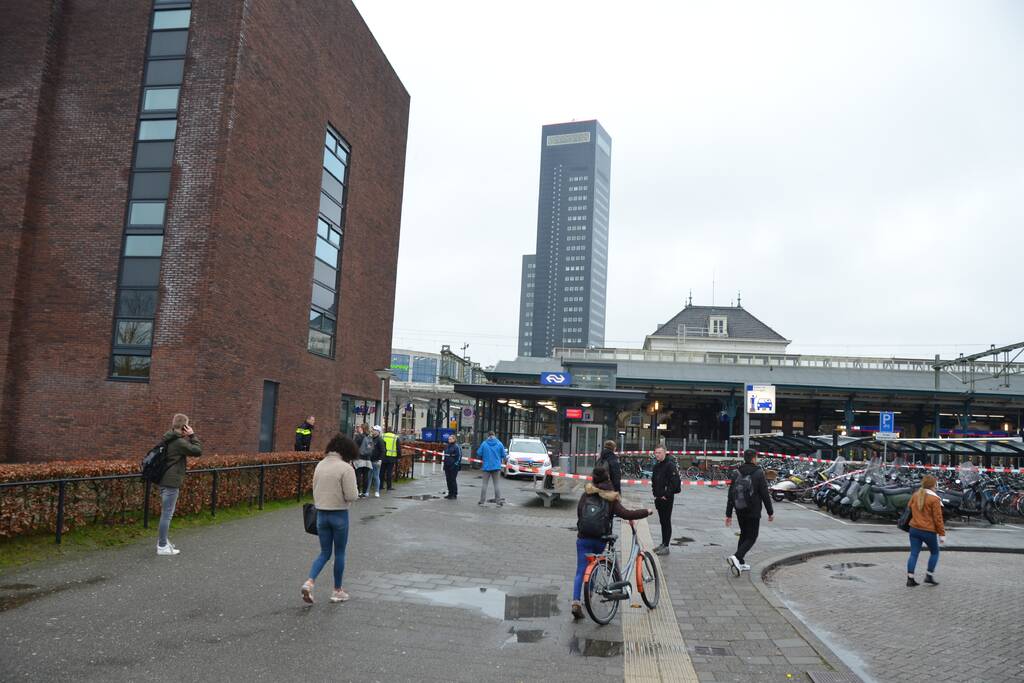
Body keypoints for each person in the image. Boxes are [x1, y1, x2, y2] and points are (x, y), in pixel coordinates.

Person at [571, 464, 653, 619]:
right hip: (600, 539)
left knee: (581, 570)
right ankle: (589, 595)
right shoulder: (611, 498)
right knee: (595, 562)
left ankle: (576, 601)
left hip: (583, 538)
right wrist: (645, 512)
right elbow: (626, 514)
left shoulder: (585, 495)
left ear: (593, 479)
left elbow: (580, 514)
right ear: (607, 478)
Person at [301, 433, 360, 604]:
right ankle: (337, 591)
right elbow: (352, 495)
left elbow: (314, 488)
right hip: (339, 515)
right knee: (339, 553)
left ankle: (309, 582)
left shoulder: (320, 465)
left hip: (321, 515)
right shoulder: (345, 468)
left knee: (324, 553)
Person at [156, 414, 202, 556]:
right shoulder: (179, 442)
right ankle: (162, 546)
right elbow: (197, 451)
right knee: (167, 515)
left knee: (165, 513)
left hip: (163, 479)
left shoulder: (168, 437)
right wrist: (192, 435)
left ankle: (163, 541)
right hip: (171, 482)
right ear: (184, 427)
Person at [725, 449, 774, 573]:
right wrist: (770, 512)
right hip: (753, 510)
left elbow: (731, 494)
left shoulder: (737, 472)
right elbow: (764, 494)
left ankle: (740, 563)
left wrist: (728, 514)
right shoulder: (758, 473)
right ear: (753, 458)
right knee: (752, 536)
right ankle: (736, 557)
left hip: (740, 509)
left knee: (744, 533)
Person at [906, 474, 945, 587]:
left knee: (914, 553)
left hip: (914, 529)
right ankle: (929, 575)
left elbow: (909, 507)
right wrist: (942, 534)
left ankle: (910, 578)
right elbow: (938, 519)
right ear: (933, 485)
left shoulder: (915, 495)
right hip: (928, 531)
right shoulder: (934, 499)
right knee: (935, 552)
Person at [650, 446, 681, 556]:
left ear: (664, 453)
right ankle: (663, 543)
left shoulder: (670, 465)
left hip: (666, 499)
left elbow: (675, 484)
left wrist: (666, 495)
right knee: (662, 521)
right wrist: (655, 494)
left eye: (659, 452)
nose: (657, 455)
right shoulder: (657, 466)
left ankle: (666, 545)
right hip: (658, 498)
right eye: (656, 453)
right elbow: (654, 481)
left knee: (666, 521)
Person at [477, 431, 506, 506]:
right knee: (496, 485)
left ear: (488, 436)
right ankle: (498, 502)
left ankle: (482, 501)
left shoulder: (484, 443)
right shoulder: (499, 443)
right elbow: (503, 455)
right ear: (494, 436)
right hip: (496, 467)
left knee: (484, 485)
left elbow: (479, 453)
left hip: (486, 467)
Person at [352, 424, 373, 498]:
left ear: (362, 429)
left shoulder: (358, 437)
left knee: (358, 475)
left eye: (359, 427)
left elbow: (353, 446)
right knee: (365, 476)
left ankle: (357, 492)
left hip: (359, 459)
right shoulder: (369, 437)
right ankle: (364, 492)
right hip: (367, 460)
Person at [363, 425, 384, 497]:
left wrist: (380, 459)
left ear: (378, 432)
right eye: (373, 430)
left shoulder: (380, 440)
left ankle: (377, 491)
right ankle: (366, 492)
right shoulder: (370, 439)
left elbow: (383, 451)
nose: (373, 431)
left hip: (376, 461)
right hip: (369, 460)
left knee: (376, 476)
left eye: (375, 430)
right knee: (369, 477)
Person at [381, 428, 400, 492]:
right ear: (392, 431)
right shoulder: (395, 437)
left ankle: (380, 486)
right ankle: (389, 487)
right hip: (391, 457)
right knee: (389, 472)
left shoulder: (383, 436)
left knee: (382, 472)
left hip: (383, 456)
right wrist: (398, 457)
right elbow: (398, 448)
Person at [443, 433, 462, 499]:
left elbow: (459, 457)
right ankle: (450, 493)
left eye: (450, 439)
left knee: (453, 479)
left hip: (453, 466)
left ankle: (454, 494)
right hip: (447, 465)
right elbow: (446, 455)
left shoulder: (456, 447)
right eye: (449, 439)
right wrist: (444, 465)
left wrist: (455, 464)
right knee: (448, 480)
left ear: (454, 439)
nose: (449, 440)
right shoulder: (447, 446)